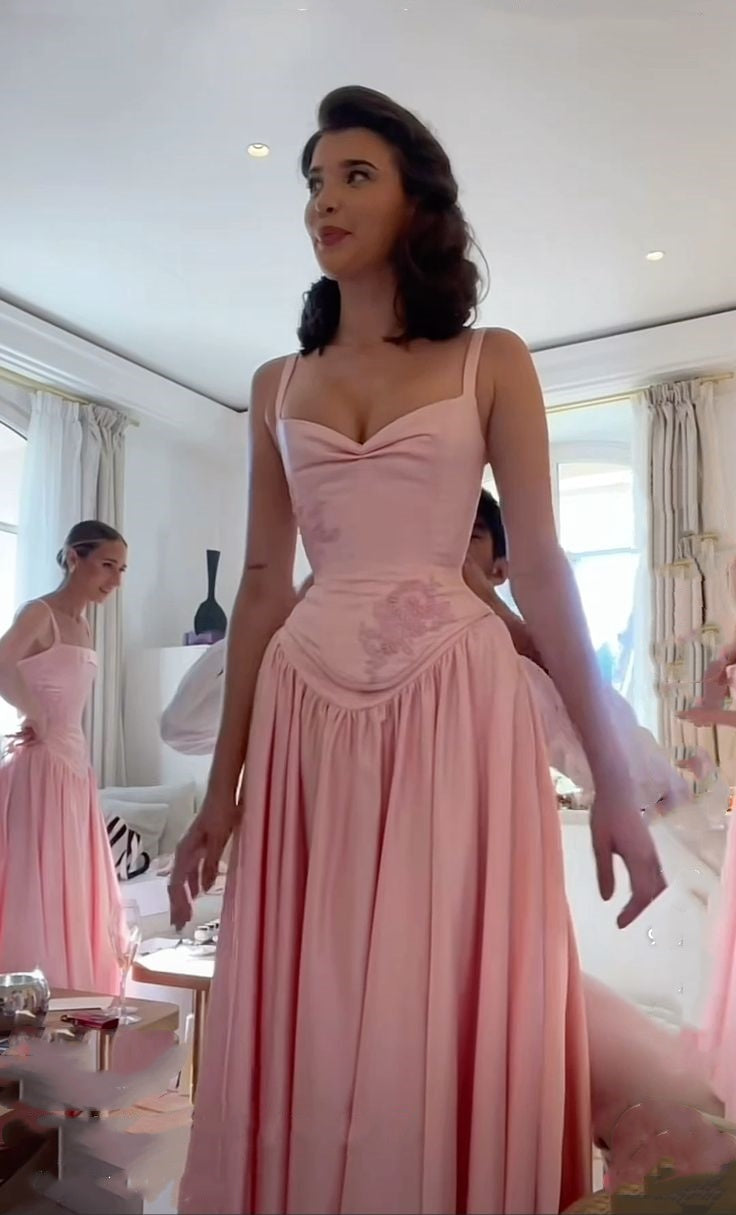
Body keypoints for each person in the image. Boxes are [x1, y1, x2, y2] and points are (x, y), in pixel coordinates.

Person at [170, 87, 666, 1215]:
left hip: (456, 704)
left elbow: (544, 570)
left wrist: (613, 782)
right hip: (302, 710)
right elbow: (262, 584)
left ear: (416, 203)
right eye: (314, 181)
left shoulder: (492, 359)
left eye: (355, 176)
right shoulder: (275, 385)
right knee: (320, 993)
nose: (324, 201)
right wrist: (220, 790)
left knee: (436, 985)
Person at [465, 490, 691, 814]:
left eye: (469, 535)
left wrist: (491, 605)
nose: (449, 546)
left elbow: (646, 783)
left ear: (499, 571)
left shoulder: (517, 667)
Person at [0, 520, 127, 993]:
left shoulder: (85, 625)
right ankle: (27, 1001)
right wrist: (32, 712)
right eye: (107, 565)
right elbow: (1, 662)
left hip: (74, 768)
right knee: (39, 889)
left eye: (121, 570)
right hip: (41, 767)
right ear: (75, 557)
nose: (115, 579)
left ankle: (73, 1000)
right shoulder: (41, 613)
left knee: (72, 887)